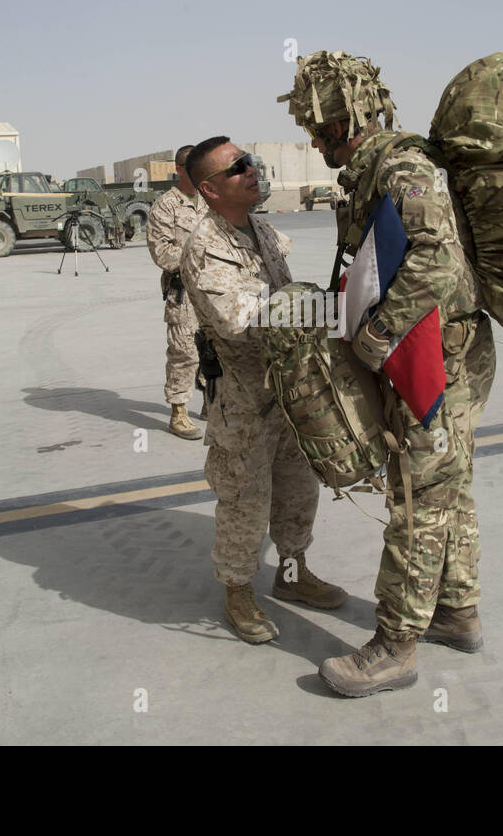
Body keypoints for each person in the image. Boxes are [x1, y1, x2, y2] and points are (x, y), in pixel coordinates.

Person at [279, 51, 496, 696]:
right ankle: (456, 610)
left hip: (438, 357)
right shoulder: (371, 171)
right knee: (447, 486)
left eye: (319, 129)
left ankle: (395, 646)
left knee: (416, 495)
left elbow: (433, 258)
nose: (314, 142)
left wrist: (376, 335)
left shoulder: (401, 166)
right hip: (444, 351)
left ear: (345, 118)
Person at [179, 136, 344, 643]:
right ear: (209, 189)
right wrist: (328, 308)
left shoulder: (262, 230)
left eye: (250, 162)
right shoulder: (205, 247)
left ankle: (292, 574)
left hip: (289, 387)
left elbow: (284, 290)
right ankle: (238, 591)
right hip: (243, 400)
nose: (252, 171)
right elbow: (245, 318)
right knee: (245, 499)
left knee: (298, 490)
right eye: (238, 169)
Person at [145, 145, 204, 439]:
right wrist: (201, 254)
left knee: (215, 347)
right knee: (184, 352)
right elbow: (162, 254)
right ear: (180, 169)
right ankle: (179, 412)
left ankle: (212, 401)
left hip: (214, 291)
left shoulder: (210, 201)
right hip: (183, 293)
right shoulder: (165, 206)